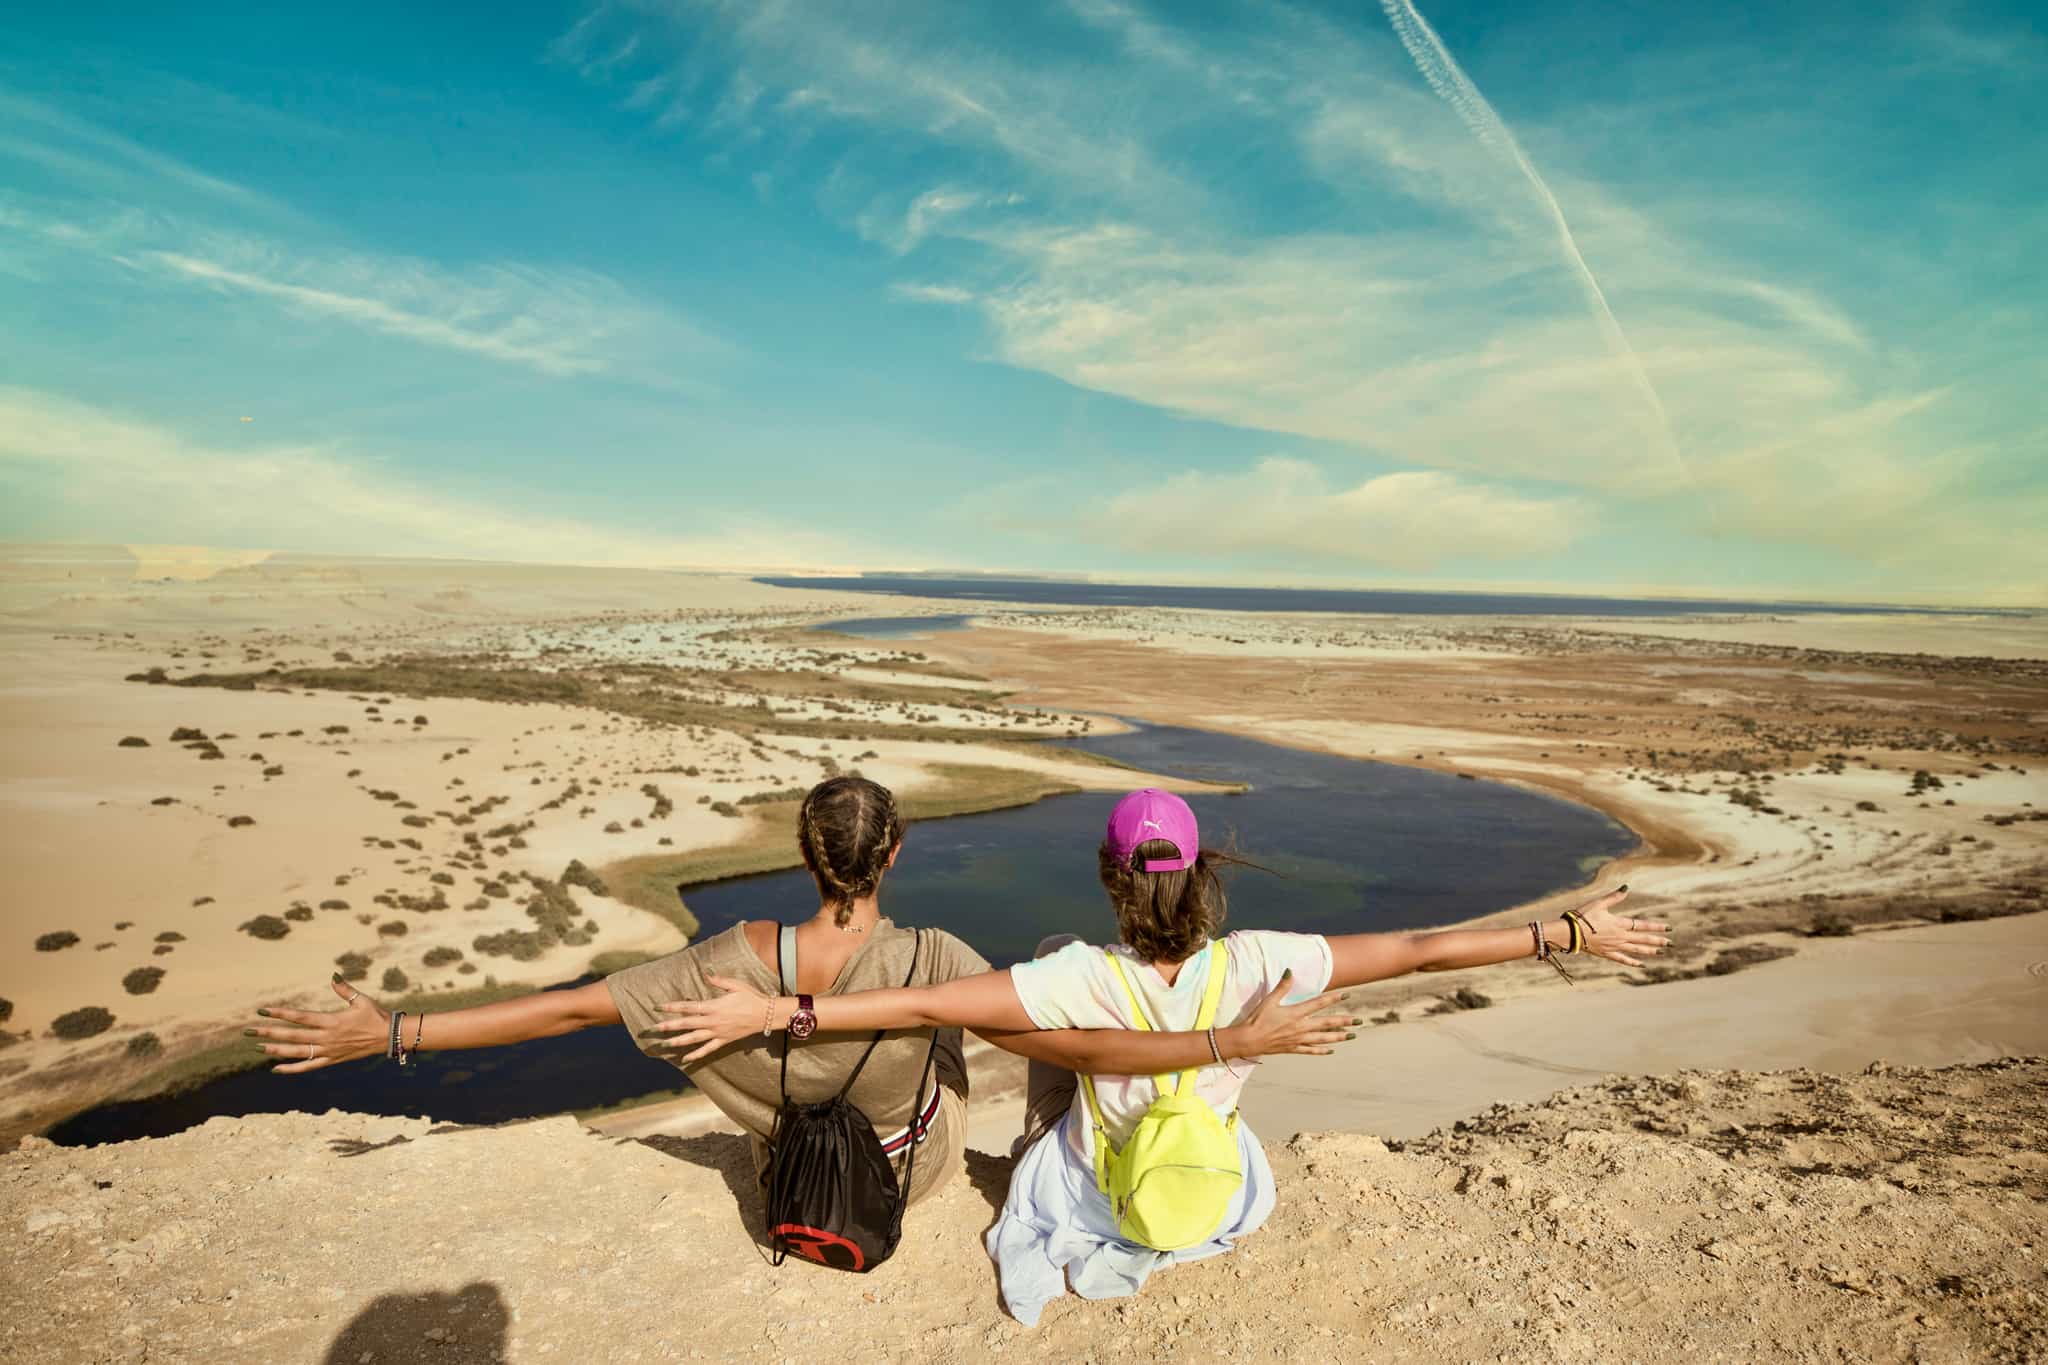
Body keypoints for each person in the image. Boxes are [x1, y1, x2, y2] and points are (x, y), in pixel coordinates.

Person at [654, 786, 1670, 1323]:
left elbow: (918, 997)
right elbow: (1418, 949)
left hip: (1095, 1194)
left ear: (1111, 875)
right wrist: (1564, 934)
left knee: (1041, 1005)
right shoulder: (1265, 965)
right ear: (1202, 873)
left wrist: (777, 1013)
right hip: (1211, 1187)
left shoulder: (1075, 972)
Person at [245, 776, 1352, 1215]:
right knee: (1041, 1003)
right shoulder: (931, 957)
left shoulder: (727, 966)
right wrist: (1205, 1028)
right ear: (895, 852)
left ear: (808, 854)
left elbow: (568, 1007)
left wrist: (389, 1029)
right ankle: (1043, 1165)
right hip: (906, 1177)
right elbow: (1067, 1029)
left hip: (794, 1171)